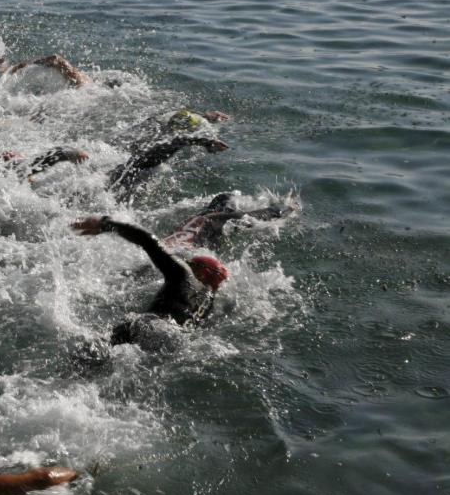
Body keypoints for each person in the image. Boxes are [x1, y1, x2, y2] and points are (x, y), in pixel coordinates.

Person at [70, 216, 229, 360]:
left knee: (93, 350)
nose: (187, 264)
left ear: (202, 273)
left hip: (151, 326)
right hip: (173, 344)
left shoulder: (184, 274)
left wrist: (106, 224)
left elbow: (148, 241)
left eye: (191, 264)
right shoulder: (209, 305)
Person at [107, 135, 231, 200]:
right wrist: (207, 142)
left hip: (124, 172)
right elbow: (179, 141)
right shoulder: (157, 153)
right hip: (128, 176)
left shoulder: (155, 142)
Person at [163, 193, 298, 250]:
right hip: (202, 227)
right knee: (255, 217)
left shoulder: (213, 220)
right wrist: (290, 208)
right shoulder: (213, 220)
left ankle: (288, 207)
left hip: (198, 228)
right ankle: (289, 206)